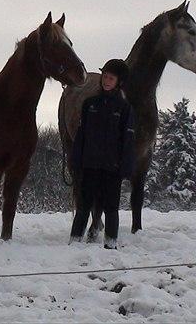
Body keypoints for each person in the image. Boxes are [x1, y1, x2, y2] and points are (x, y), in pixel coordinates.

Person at [69, 59, 135, 250]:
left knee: (111, 207)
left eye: (111, 78)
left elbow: (128, 141)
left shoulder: (124, 108)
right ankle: (75, 240)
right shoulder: (89, 104)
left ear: (118, 82)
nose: (106, 80)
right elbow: (81, 135)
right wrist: (76, 159)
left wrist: (125, 166)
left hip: (112, 168)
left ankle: (111, 242)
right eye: (105, 76)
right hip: (90, 165)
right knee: (83, 206)